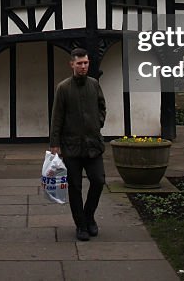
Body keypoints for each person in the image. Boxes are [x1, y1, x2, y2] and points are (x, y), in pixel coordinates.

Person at [49, 48, 107, 242]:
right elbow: (57, 117)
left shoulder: (94, 84)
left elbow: (101, 106)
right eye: (80, 63)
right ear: (72, 64)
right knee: (75, 186)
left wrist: (98, 122)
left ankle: (89, 215)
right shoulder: (63, 88)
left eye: (86, 63)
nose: (83, 66)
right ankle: (81, 225)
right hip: (72, 146)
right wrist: (55, 144)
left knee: (98, 180)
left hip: (93, 144)